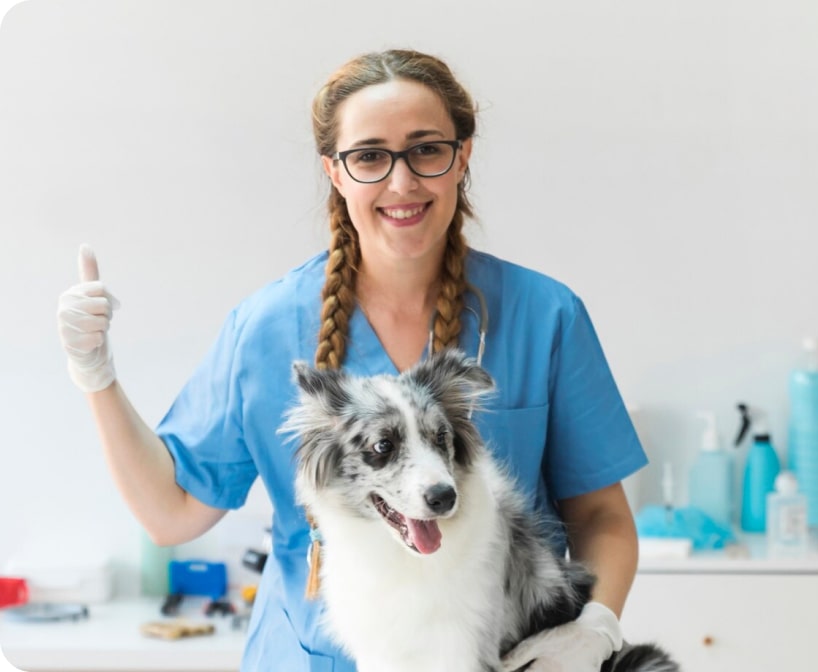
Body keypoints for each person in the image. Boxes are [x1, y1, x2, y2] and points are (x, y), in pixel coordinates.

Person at [57, 48, 648, 671]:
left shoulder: (543, 315)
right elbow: (171, 513)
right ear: (335, 172)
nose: (401, 183)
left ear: (462, 157)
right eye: (369, 156)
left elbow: (603, 517)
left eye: (426, 149)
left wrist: (592, 632)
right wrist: (96, 376)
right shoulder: (266, 329)